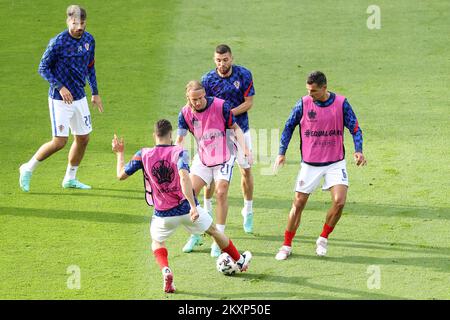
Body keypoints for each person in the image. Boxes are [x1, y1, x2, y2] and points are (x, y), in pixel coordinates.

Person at [112, 119, 252, 293]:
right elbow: (184, 177)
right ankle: (239, 261)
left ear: (154, 135)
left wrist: (120, 153)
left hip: (162, 215)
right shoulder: (179, 153)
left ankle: (166, 269)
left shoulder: (143, 154)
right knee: (214, 231)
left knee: (157, 242)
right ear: (170, 135)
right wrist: (193, 206)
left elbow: (120, 175)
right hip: (186, 209)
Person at [273, 71, 367, 260]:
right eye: (308, 90)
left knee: (340, 201)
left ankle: (323, 238)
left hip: (335, 162)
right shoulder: (303, 103)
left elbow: (355, 127)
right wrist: (281, 153)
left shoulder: (341, 103)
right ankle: (286, 244)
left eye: (314, 91)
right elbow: (288, 126)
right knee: (298, 203)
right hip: (310, 164)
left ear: (325, 88)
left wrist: (359, 150)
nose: (310, 94)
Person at [19, 5, 103, 192]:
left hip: (80, 97)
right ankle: (27, 168)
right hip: (60, 99)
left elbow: (90, 67)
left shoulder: (89, 40)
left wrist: (95, 92)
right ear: (68, 21)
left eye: (82, 22)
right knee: (59, 141)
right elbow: (43, 68)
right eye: (75, 23)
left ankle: (70, 178)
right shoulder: (58, 42)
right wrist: (60, 87)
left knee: (83, 138)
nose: (79, 26)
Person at [177, 81, 252, 257]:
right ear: (188, 98)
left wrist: (245, 149)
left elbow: (236, 128)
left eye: (201, 98)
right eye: (193, 99)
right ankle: (196, 234)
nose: (198, 102)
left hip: (224, 156)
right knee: (189, 194)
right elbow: (179, 140)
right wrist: (175, 158)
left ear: (205, 94)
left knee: (221, 192)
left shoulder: (220, 106)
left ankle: (219, 239)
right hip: (203, 158)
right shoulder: (185, 113)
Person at [201, 44, 256, 234]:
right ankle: (206, 212)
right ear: (214, 60)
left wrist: (227, 114)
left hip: (241, 130)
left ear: (231, 58)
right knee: (212, 177)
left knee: (246, 171)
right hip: (217, 135)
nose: (222, 63)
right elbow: (203, 106)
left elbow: (248, 103)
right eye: (218, 60)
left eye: (225, 60)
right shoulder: (207, 80)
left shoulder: (244, 75)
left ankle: (248, 211)